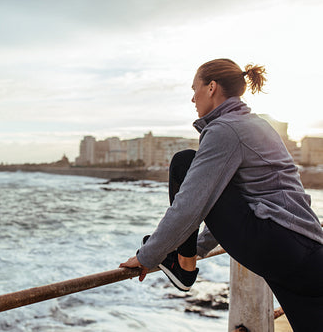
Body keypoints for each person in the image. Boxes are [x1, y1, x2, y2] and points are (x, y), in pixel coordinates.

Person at [120, 58, 323, 331]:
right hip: (308, 249)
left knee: (184, 162)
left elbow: (190, 204)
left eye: (195, 88)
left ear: (212, 87)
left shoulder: (224, 130)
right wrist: (200, 247)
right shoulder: (257, 125)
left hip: (276, 242)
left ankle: (184, 267)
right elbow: (234, 200)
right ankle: (184, 261)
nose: (193, 98)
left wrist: (147, 256)